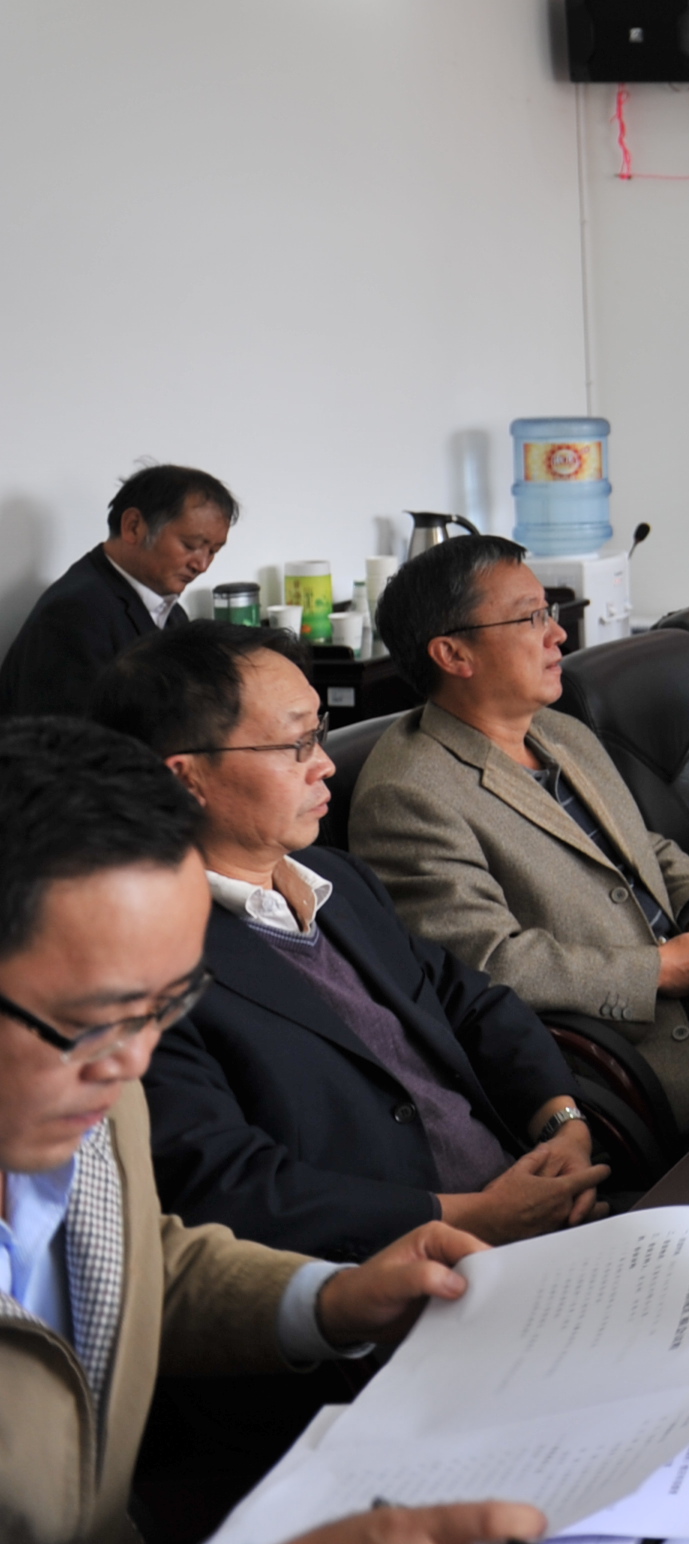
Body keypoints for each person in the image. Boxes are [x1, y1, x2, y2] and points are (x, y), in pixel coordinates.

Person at [0, 715, 546, 1544]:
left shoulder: (85, 1090)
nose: (133, 1061)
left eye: (165, 1007)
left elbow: (122, 1261)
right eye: (97, 1019)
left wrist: (330, 1299)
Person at [351, 538, 689, 1138]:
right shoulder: (407, 794)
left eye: (549, 612)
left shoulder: (558, 731)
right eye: (531, 617)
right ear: (453, 653)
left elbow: (648, 845)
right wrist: (658, 970)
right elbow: (489, 965)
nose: (557, 634)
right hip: (646, 1042)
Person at [91, 623, 605, 1263]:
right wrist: (477, 1218)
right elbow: (236, 1187)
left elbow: (471, 1003)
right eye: (296, 744)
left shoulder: (337, 880)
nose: (326, 763)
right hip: (392, 1276)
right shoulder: (144, 967)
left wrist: (561, 1124)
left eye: (321, 733)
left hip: (530, 1208)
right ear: (186, 779)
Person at [0, 466, 238, 721]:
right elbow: (68, 737)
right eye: (191, 545)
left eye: (213, 551)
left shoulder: (171, 610)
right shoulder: (74, 614)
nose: (202, 565)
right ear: (133, 527)